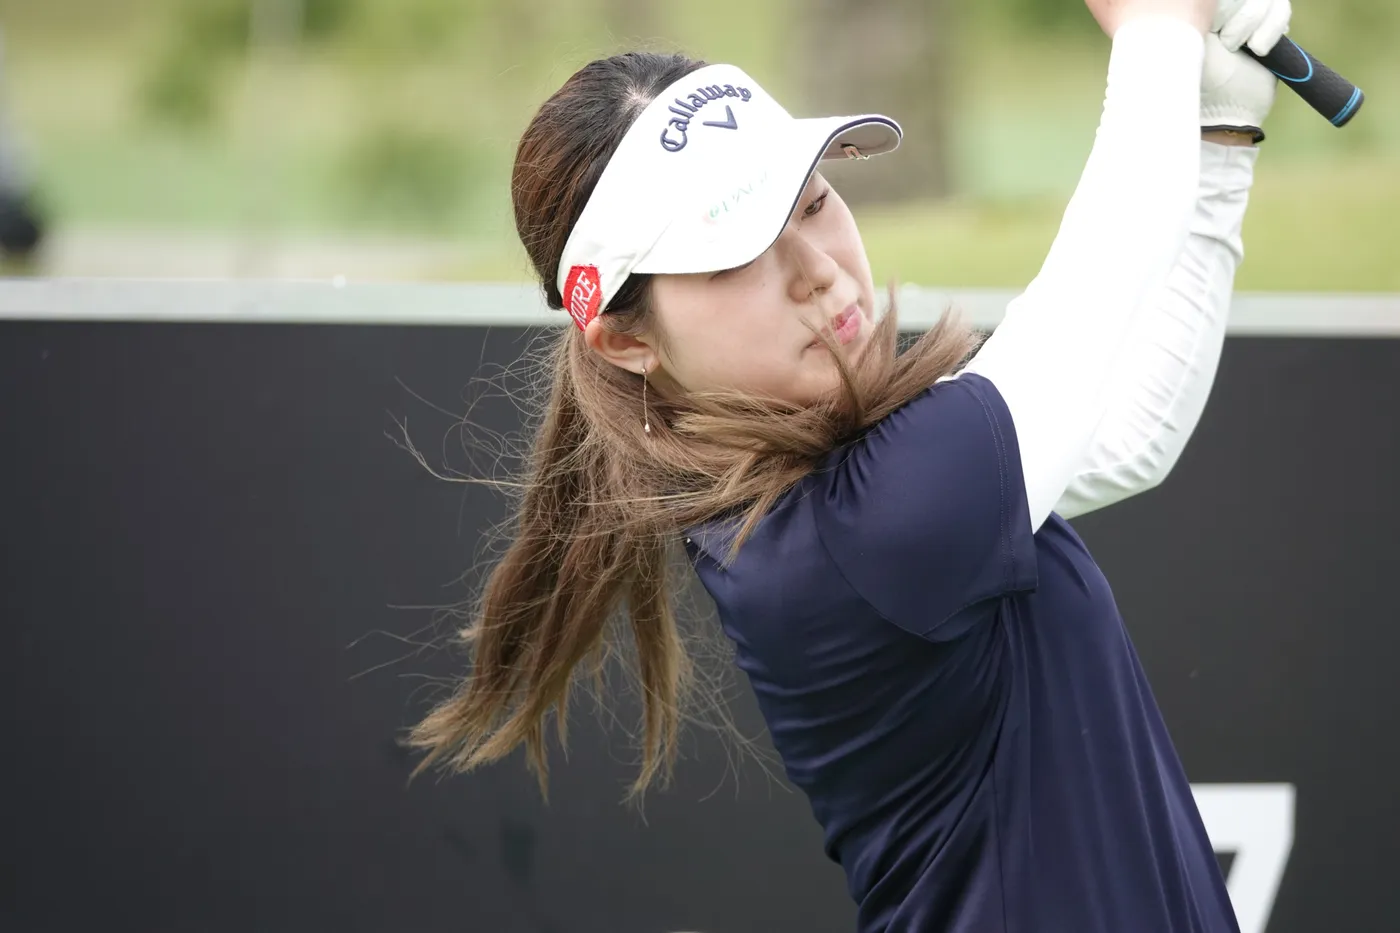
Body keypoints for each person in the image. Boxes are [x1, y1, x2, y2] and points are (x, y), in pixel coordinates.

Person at [412, 0, 1287, 929]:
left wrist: (1217, 129)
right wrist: (1159, 31)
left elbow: (1128, 433)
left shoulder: (840, 493)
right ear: (628, 340)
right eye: (737, 252)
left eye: (814, 203)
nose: (818, 269)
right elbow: (1109, 262)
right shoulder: (862, 531)